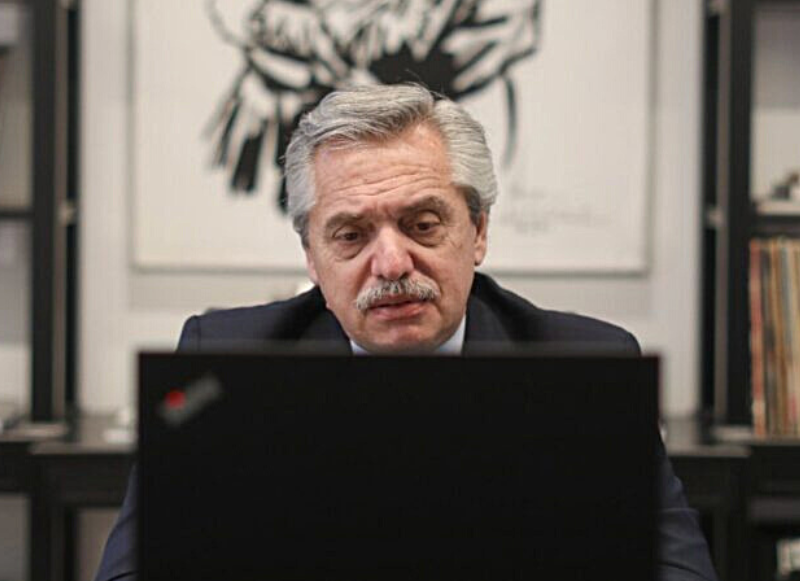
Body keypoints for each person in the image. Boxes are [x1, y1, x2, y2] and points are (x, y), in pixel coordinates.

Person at [95, 84, 718, 581]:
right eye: (351, 236)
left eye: (422, 225)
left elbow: (677, 567)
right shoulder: (223, 363)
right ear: (311, 257)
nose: (392, 264)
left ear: (477, 231)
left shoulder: (586, 365)